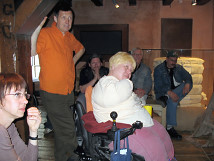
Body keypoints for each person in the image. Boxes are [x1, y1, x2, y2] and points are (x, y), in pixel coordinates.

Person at [92, 52, 175, 161]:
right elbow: (111, 98)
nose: (129, 72)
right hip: (124, 128)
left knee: (161, 132)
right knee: (155, 147)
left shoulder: (117, 84)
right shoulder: (104, 84)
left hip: (135, 122)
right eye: (126, 67)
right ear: (113, 66)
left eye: (130, 70)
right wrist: (128, 83)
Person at [36, 3, 85, 161]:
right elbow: (31, 51)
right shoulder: (46, 33)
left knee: (61, 129)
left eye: (70, 18)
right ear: (56, 18)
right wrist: (37, 28)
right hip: (52, 92)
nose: (67, 21)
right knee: (68, 128)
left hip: (67, 92)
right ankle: (72, 157)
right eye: (64, 17)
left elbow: (81, 49)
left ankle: (61, 158)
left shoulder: (69, 37)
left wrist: (72, 61)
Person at [0, 73, 41, 161]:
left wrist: (33, 131)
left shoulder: (9, 126)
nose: (26, 101)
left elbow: (27, 158)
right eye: (17, 94)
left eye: (25, 94)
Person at [154, 50, 193, 140]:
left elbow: (188, 76)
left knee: (189, 84)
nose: (173, 63)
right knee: (173, 102)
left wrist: (187, 83)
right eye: (172, 60)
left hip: (176, 91)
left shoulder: (178, 68)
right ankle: (170, 128)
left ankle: (169, 128)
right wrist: (169, 92)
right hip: (164, 92)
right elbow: (158, 86)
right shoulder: (159, 69)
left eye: (175, 60)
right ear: (167, 59)